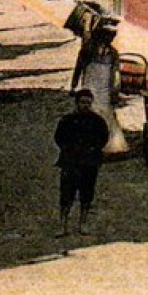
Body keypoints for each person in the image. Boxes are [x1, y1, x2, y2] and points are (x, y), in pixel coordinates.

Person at [55, 89, 110, 236]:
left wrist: (93, 150)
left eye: (88, 103)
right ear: (76, 103)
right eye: (82, 102)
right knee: (67, 193)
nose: (85, 105)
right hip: (70, 162)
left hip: (89, 162)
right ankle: (63, 224)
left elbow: (103, 138)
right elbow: (59, 138)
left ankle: (82, 223)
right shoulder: (67, 120)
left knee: (87, 194)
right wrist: (69, 150)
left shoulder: (97, 121)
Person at [70, 19, 127, 157]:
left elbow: (116, 73)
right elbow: (79, 68)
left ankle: (106, 144)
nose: (110, 40)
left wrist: (115, 90)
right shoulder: (87, 51)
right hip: (90, 84)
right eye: (108, 37)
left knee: (105, 112)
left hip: (104, 87)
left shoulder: (112, 53)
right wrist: (73, 85)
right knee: (89, 110)